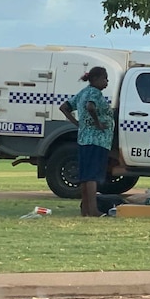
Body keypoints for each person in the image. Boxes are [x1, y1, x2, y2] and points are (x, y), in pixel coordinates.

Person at [59, 66, 113, 217]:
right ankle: (94, 210)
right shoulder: (94, 93)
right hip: (96, 140)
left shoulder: (83, 92)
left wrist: (78, 123)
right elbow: (90, 107)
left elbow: (64, 107)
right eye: (104, 78)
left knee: (85, 176)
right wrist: (98, 124)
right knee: (92, 176)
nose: (106, 81)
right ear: (95, 79)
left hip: (84, 138)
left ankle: (86, 209)